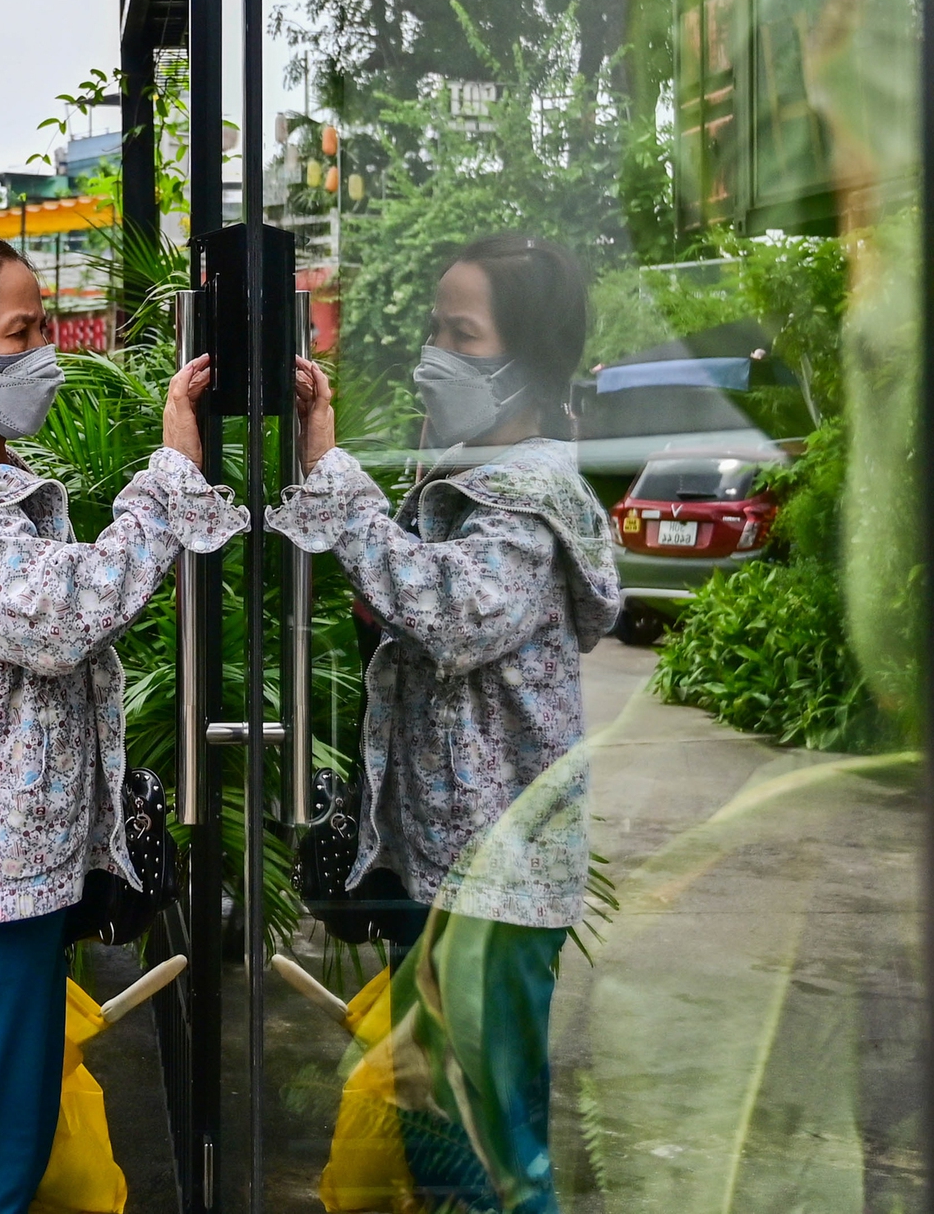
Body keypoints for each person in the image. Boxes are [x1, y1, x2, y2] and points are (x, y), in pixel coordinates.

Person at [0, 228, 246, 1214]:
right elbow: (58, 615)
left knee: (2, 1143)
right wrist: (166, 476)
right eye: (19, 333)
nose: (43, 356)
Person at [271, 234, 622, 1214]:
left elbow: (447, 610)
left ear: (525, 363)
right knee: (436, 1131)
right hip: (451, 870)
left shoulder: (530, 503)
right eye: (433, 326)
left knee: (495, 1151)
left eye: (458, 334)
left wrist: (335, 479)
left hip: (498, 891)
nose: (432, 352)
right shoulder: (473, 483)